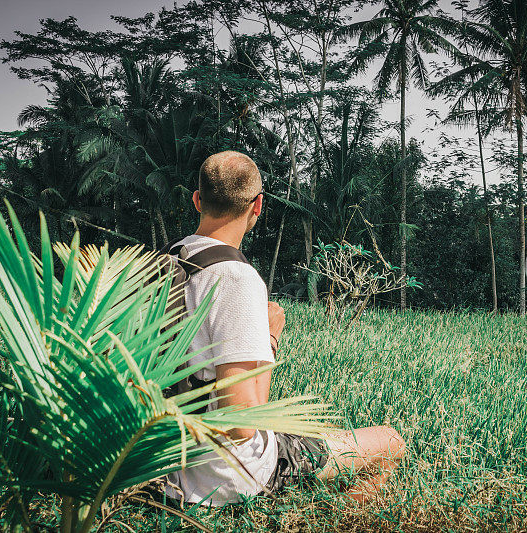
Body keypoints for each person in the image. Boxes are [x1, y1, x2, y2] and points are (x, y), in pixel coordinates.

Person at [165, 151, 406, 507]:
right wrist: (269, 335)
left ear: (198, 200)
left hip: (162, 465)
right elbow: (242, 421)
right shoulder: (236, 278)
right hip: (223, 476)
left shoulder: (166, 261)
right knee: (391, 441)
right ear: (258, 206)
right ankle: (339, 516)